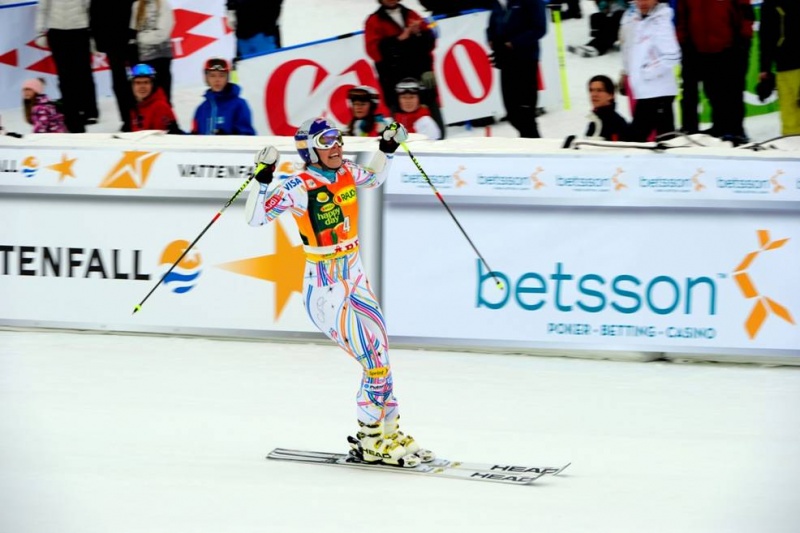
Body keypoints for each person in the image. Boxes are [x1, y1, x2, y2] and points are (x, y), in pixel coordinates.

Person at [244, 118, 433, 467]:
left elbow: (374, 178)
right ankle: (371, 439)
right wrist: (262, 178)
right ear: (310, 149)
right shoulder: (298, 185)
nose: (336, 147)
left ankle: (388, 431)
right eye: (327, 141)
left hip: (355, 276)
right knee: (374, 364)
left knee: (383, 358)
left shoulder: (347, 171)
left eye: (338, 140)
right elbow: (256, 219)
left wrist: (387, 149)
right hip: (326, 287)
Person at [676, 0, 753, 143]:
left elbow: (746, 12)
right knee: (712, 91)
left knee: (733, 92)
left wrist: (743, 40)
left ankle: (736, 131)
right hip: (699, 48)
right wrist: (684, 41)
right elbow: (682, 15)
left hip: (730, 46)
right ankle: (717, 128)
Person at [365, 0, 444, 135]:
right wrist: (399, 39)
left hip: (421, 82)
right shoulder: (374, 20)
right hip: (394, 84)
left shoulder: (411, 14)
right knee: (403, 134)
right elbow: (374, 51)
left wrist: (419, 33)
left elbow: (430, 42)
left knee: (437, 129)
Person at [620, 0, 681, 142]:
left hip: (656, 93)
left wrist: (647, 72)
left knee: (635, 140)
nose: (642, 2)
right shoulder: (636, 18)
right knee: (666, 139)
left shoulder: (660, 22)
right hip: (648, 92)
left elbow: (672, 55)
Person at [487, 0, 548, 138]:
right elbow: (491, 25)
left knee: (526, 114)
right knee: (513, 113)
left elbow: (540, 28)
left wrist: (513, 43)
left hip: (526, 60)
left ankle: (536, 149)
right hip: (505, 60)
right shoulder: (498, 3)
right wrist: (492, 40)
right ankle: (531, 146)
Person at [36, 0, 99, 133]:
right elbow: (42, 9)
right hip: (57, 32)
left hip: (80, 30)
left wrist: (93, 35)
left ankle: (90, 111)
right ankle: (72, 116)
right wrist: (40, 32)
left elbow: (90, 8)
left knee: (83, 73)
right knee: (64, 76)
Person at [90, 0, 137, 132]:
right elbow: (94, 11)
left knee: (139, 77)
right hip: (112, 40)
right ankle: (127, 120)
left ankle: (143, 116)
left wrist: (135, 33)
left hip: (132, 39)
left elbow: (138, 6)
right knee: (119, 82)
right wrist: (97, 39)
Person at [759, 0, 800, 136]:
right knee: (788, 116)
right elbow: (765, 38)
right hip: (782, 67)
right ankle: (791, 144)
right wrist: (765, 69)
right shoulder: (768, 5)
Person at [191, 58, 256, 135]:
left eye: (222, 76)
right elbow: (194, 138)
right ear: (206, 78)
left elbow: (248, 136)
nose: (217, 80)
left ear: (227, 78)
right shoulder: (201, 109)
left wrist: (227, 138)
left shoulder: (239, 105)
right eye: (212, 76)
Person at [130, 0, 175, 104]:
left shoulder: (163, 4)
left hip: (163, 55)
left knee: (164, 94)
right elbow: (133, 31)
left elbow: (162, 33)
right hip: (145, 57)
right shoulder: (136, 5)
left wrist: (141, 37)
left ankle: (166, 117)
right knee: (148, 96)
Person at [128, 64, 182, 133]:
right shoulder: (134, 107)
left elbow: (159, 139)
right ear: (132, 86)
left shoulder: (160, 106)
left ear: (152, 85)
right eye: (138, 83)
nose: (142, 86)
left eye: (146, 82)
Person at [584, 75, 630, 141]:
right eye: (591, 90)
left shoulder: (616, 123)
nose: (594, 94)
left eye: (599, 90)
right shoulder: (595, 121)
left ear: (611, 95)